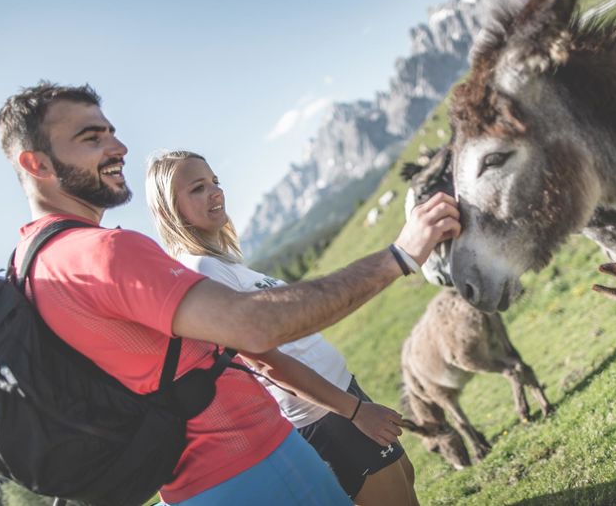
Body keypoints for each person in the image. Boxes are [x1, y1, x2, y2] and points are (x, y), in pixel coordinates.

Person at [0, 81, 460, 505]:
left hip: (205, 479)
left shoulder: (32, 264)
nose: (118, 147)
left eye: (111, 132)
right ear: (35, 164)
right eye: (90, 137)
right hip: (247, 467)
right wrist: (397, 256)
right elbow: (255, 331)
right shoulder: (100, 253)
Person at [145, 149, 419, 505]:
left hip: (340, 397)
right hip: (327, 414)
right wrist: (353, 411)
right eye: (198, 188)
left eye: (215, 181)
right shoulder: (202, 269)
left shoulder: (222, 263)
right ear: (170, 209)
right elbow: (262, 360)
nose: (216, 192)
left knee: (405, 480)